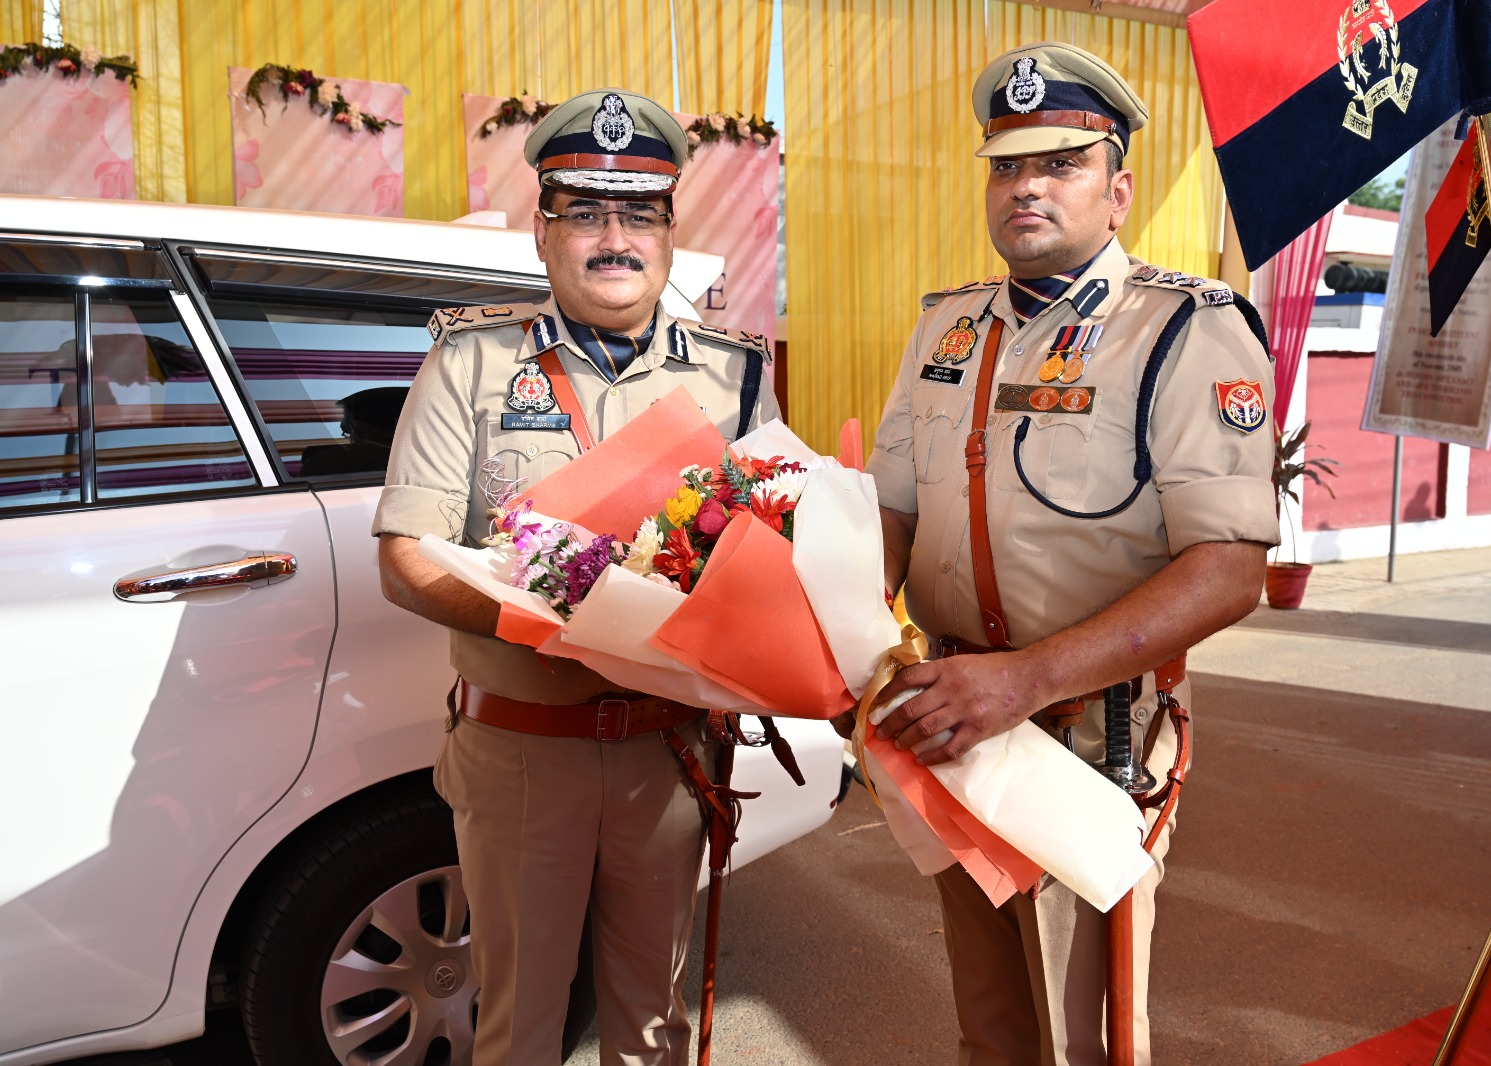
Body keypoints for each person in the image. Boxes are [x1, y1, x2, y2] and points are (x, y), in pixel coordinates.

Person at [861, 42, 1278, 1066]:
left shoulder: (1184, 329)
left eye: (1061, 162)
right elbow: (889, 509)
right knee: (991, 1027)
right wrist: (839, 630)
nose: (1027, 187)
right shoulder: (945, 328)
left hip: (1096, 742)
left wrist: (1026, 678)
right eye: (1006, 165)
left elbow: (1228, 566)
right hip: (951, 720)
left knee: (1080, 1038)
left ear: (1118, 189)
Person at [372, 87, 777, 1066]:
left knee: (650, 1023)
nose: (613, 237)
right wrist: (545, 625)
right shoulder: (468, 366)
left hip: (666, 757)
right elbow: (406, 557)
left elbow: (768, 553)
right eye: (584, 212)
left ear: (670, 233)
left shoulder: (734, 378)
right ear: (543, 232)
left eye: (637, 213)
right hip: (522, 754)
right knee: (517, 1025)